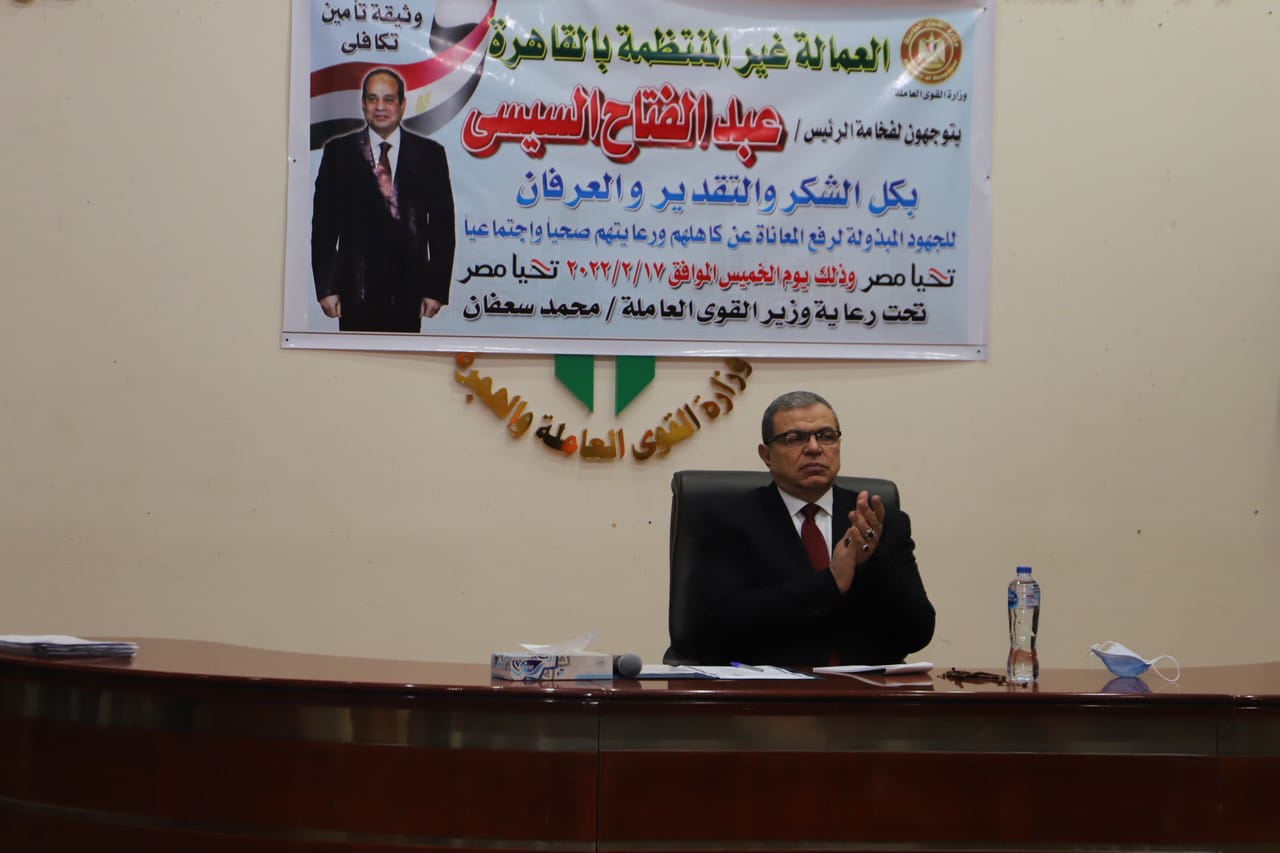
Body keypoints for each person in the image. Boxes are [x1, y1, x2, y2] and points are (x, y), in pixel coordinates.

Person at [700, 390, 935, 667]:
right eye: (794, 438)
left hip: (865, 688)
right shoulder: (730, 520)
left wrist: (873, 562)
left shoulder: (878, 522)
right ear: (767, 455)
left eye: (825, 436)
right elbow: (719, 625)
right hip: (771, 687)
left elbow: (917, 633)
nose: (814, 448)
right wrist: (830, 582)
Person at [311, 68, 456, 332]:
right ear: (363, 104)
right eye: (372, 99)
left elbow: (441, 227)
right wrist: (327, 287)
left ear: (402, 104)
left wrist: (435, 289)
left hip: (409, 293)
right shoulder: (339, 152)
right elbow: (324, 226)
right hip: (354, 292)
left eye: (388, 99)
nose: (380, 107)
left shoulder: (430, 155)